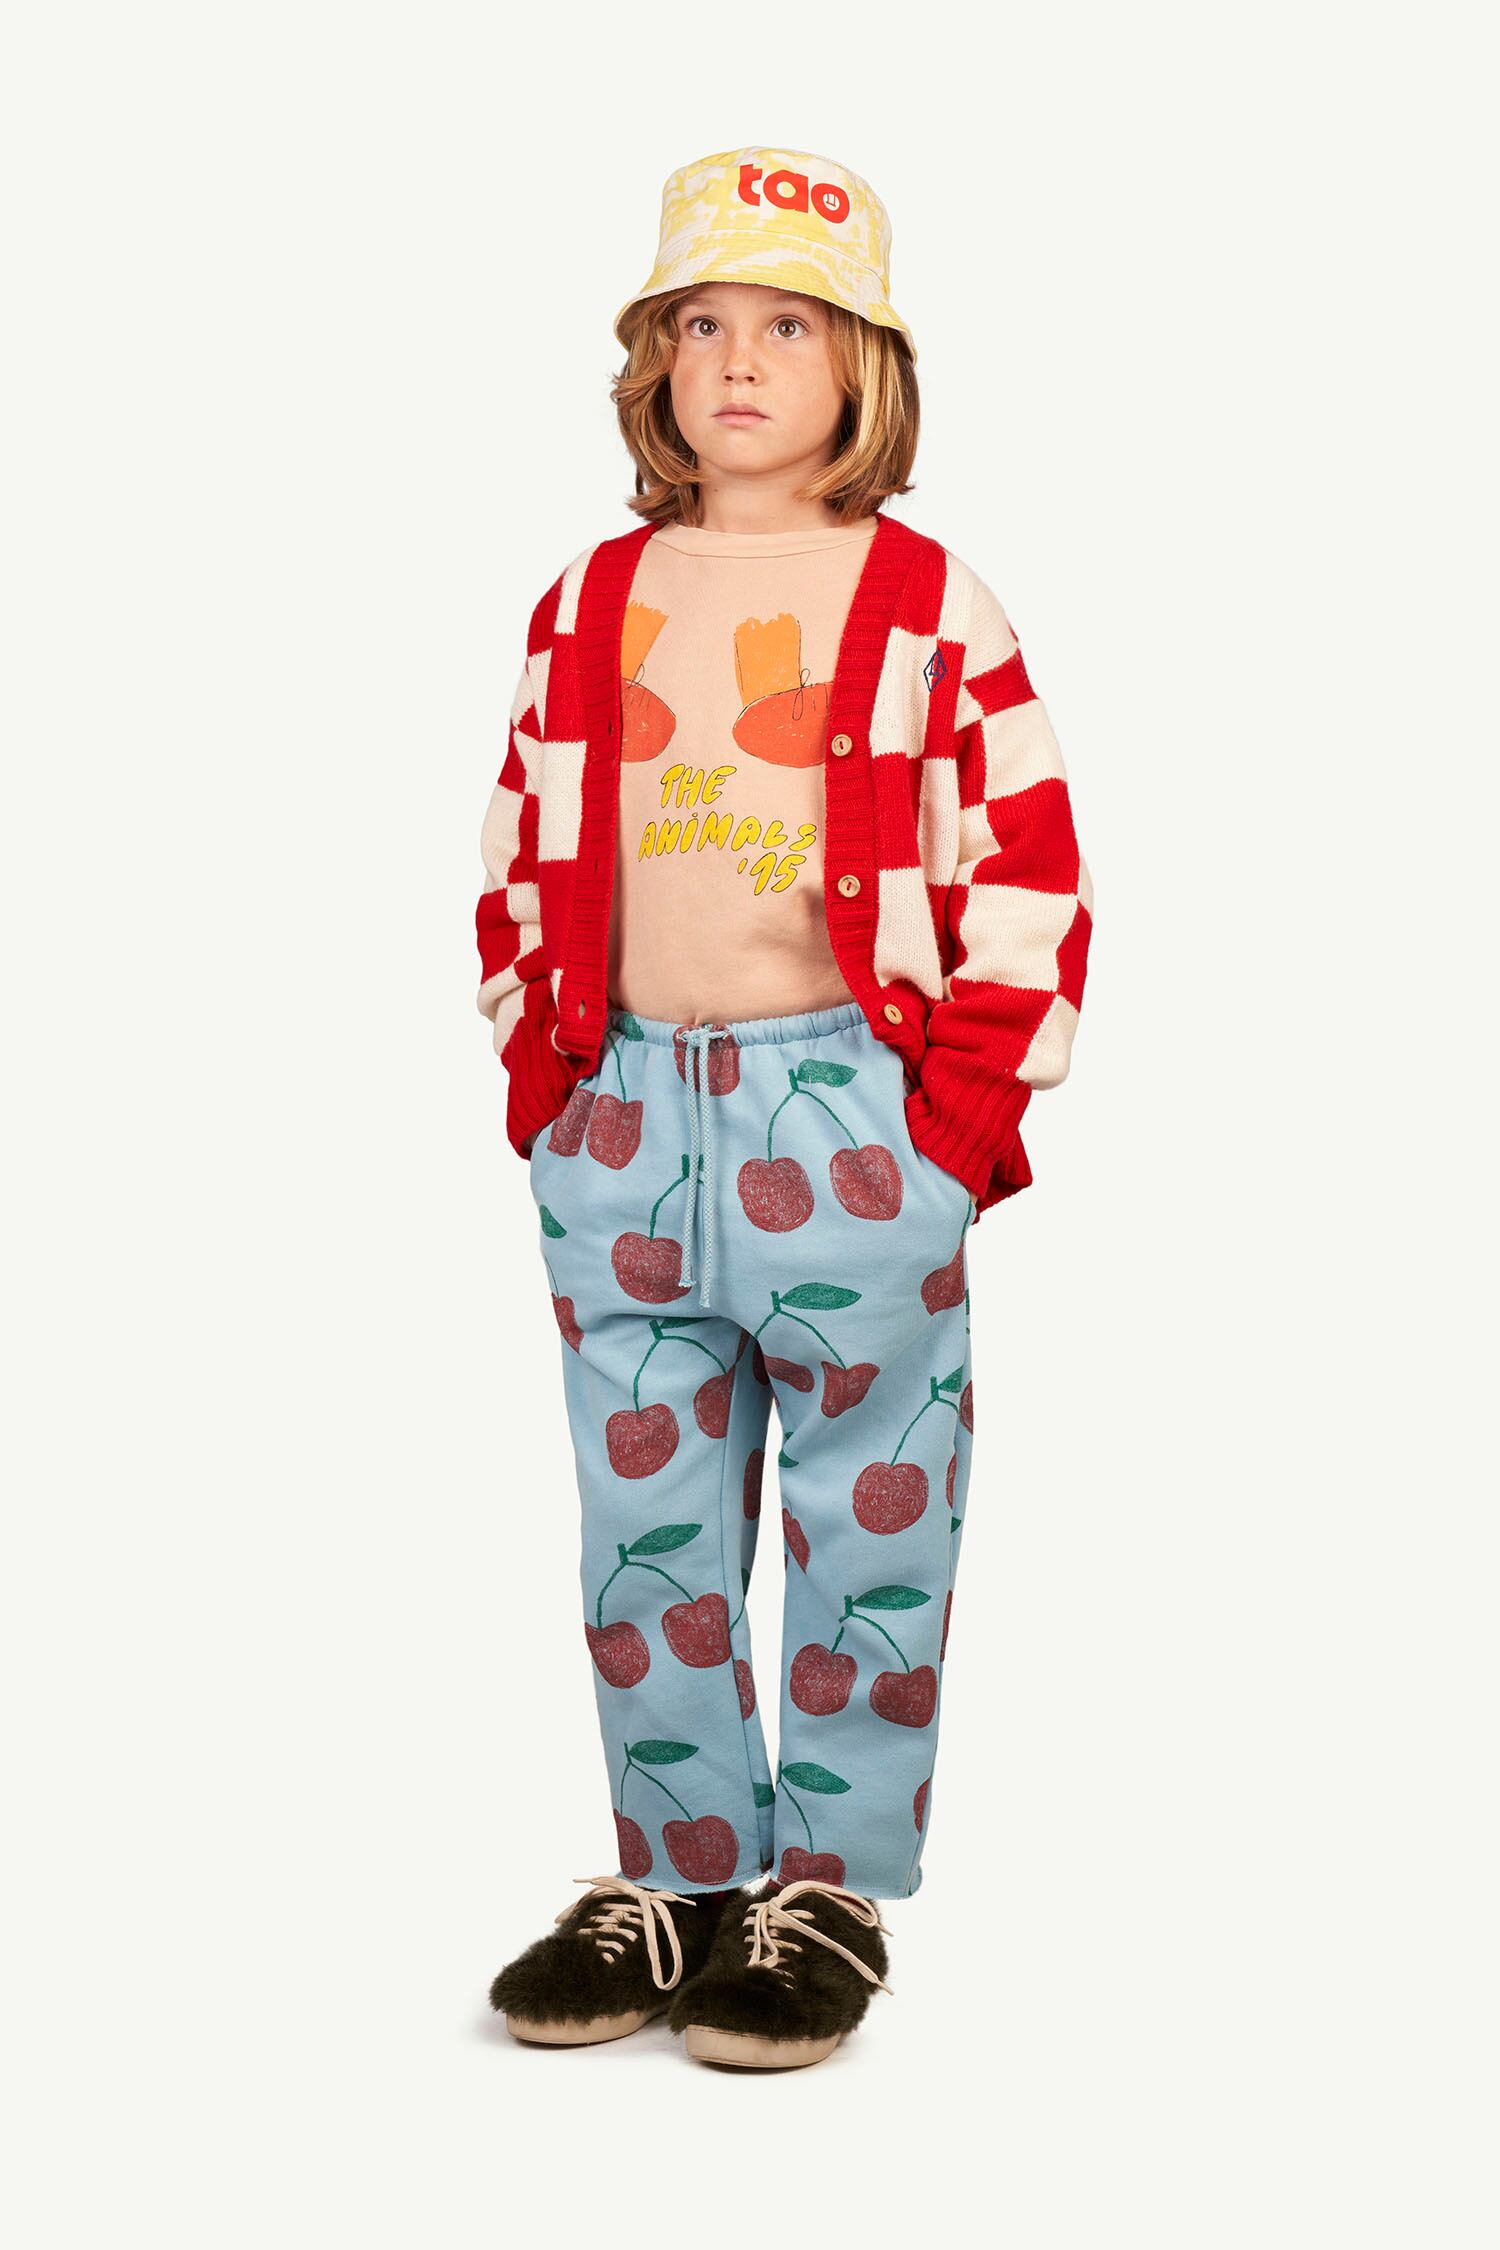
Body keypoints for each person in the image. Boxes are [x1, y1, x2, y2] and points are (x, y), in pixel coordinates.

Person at [473, 145, 1093, 2070]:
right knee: (641, 1521)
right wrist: (543, 1072)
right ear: (653, 363)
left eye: (791, 326)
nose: (740, 360)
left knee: (868, 1516)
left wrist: (953, 1132)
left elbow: (1025, 870)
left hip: (852, 1115)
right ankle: (675, 1872)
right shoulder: (590, 599)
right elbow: (516, 849)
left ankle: (823, 1884)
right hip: (622, 1116)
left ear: (866, 369)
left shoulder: (927, 599)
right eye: (704, 323)